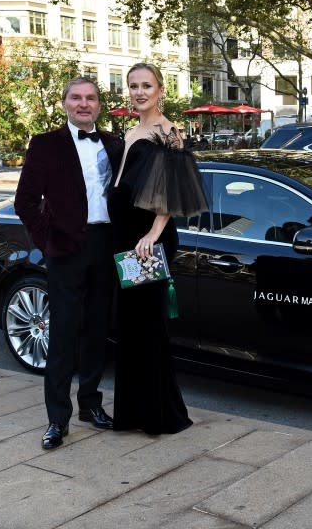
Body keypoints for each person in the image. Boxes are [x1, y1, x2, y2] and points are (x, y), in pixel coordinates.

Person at [15, 77, 123, 449]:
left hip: (105, 246)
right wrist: (49, 242)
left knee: (97, 330)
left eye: (90, 98)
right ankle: (56, 420)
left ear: (99, 105)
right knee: (62, 335)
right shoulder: (45, 145)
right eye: (76, 97)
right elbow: (25, 202)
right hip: (66, 249)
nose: (83, 104)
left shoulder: (114, 144)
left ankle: (90, 405)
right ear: (64, 104)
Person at [108, 62, 207, 435]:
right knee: (130, 327)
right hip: (126, 238)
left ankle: (158, 416)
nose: (138, 92)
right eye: (133, 86)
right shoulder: (133, 130)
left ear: (160, 89)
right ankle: (134, 413)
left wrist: (153, 232)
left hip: (148, 241)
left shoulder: (169, 132)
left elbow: (173, 190)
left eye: (146, 85)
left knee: (149, 327)